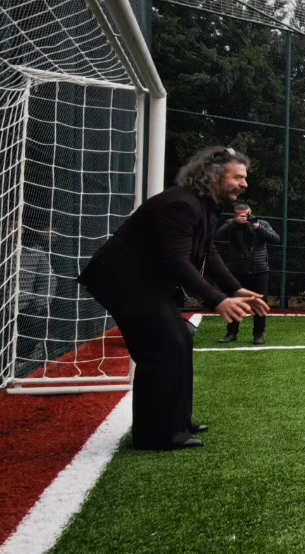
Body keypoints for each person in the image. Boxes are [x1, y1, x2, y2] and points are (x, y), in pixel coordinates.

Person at [78, 145, 267, 451]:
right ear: (214, 175)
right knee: (163, 347)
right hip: (124, 281)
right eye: (238, 177)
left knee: (178, 338)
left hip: (143, 283)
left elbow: (208, 252)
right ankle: (157, 435)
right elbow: (176, 262)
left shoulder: (203, 206)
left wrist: (234, 289)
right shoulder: (182, 205)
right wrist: (218, 300)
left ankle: (177, 421)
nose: (244, 184)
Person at [216, 202, 279, 345]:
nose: (246, 218)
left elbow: (276, 239)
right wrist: (234, 224)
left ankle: (258, 334)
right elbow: (218, 236)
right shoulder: (230, 224)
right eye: (242, 215)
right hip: (237, 270)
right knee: (235, 301)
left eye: (248, 214)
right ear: (236, 215)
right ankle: (231, 333)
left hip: (260, 269)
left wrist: (258, 228)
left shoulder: (262, 223)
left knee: (260, 303)